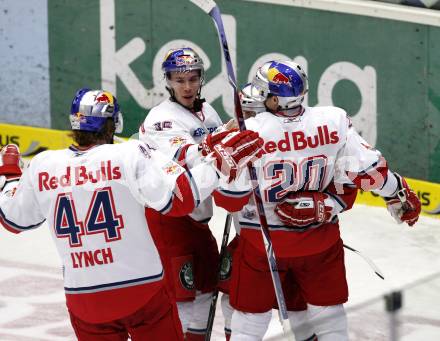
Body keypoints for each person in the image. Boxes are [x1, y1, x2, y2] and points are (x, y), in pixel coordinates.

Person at [0, 88, 264, 341]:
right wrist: (217, 165)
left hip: (85, 301)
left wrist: (10, 174)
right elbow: (180, 198)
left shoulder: (43, 165)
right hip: (142, 293)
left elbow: (13, 219)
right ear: (112, 124)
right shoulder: (128, 154)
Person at [225, 60, 421, 341]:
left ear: (275, 98)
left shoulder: (251, 130)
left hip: (263, 243)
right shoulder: (333, 120)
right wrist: (396, 193)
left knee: (249, 322)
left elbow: (227, 197)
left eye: (263, 92)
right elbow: (368, 172)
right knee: (329, 321)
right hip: (320, 242)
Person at [139, 47, 253, 341]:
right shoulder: (160, 119)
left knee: (204, 292)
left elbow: (221, 159)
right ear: (168, 81)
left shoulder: (206, 111)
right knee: (181, 300)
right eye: (179, 80)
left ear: (201, 78)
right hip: (170, 221)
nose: (187, 86)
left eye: (192, 78)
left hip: (197, 220)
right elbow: (193, 157)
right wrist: (233, 132)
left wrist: (242, 127)